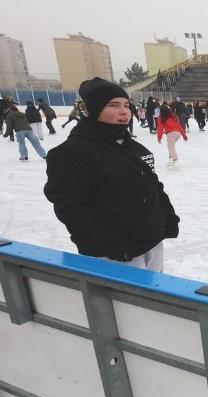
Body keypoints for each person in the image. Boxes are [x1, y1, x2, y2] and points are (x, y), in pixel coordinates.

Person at [44, 77, 179, 272]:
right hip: (113, 254)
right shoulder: (72, 152)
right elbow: (71, 207)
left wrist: (168, 217)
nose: (124, 111)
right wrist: (110, 245)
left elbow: (154, 186)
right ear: (93, 109)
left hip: (152, 243)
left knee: (152, 292)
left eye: (126, 105)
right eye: (113, 105)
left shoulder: (135, 148)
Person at [156, 103, 188, 168]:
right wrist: (184, 135)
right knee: (171, 147)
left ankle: (175, 160)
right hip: (178, 133)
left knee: (171, 147)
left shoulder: (162, 118)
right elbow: (179, 126)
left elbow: (160, 129)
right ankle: (171, 160)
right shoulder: (172, 116)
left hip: (171, 134)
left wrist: (159, 138)